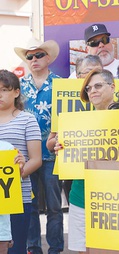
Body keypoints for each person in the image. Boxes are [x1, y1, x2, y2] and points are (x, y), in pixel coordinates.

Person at [54, 69, 115, 254]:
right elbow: (70, 159)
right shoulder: (78, 122)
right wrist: (61, 149)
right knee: (83, 250)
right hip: (81, 196)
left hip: (117, 198)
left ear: (112, 87)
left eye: (98, 86)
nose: (93, 91)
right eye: (89, 88)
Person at [14, 39, 63, 254]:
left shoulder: (61, 84)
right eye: (30, 56)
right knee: (29, 205)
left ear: (48, 58)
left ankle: (55, 248)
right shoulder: (18, 87)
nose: (34, 59)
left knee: (54, 206)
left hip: (54, 154)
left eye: (39, 55)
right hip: (26, 155)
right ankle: (32, 247)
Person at [0, 69, 42, 254]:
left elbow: (36, 159)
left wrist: (21, 170)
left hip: (18, 197)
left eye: (4, 89)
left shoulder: (27, 120)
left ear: (16, 92)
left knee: (15, 248)